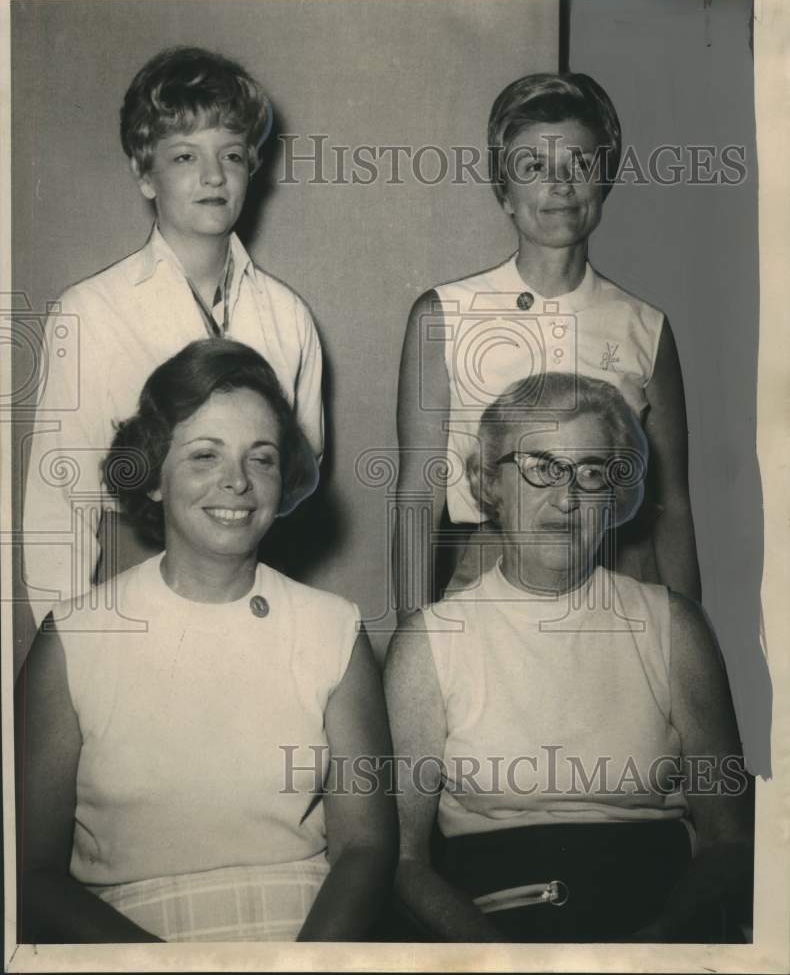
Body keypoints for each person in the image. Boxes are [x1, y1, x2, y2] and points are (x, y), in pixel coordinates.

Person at [16, 340, 396, 943]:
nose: (237, 482)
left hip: (309, 940)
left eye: (262, 458)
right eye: (204, 456)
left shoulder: (335, 629)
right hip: (128, 950)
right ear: (154, 477)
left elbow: (367, 848)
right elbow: (30, 873)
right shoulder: (73, 640)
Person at [385, 372, 751, 943]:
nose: (568, 496)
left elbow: (730, 840)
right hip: (495, 933)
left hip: (656, 927)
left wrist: (661, 941)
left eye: (591, 471)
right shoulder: (430, 641)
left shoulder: (672, 625)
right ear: (490, 484)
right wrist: (497, 958)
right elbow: (403, 862)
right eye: (542, 467)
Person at [23, 46, 324, 631]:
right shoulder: (90, 313)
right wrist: (70, 652)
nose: (213, 176)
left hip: (257, 599)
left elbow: (297, 474)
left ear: (250, 168)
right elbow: (57, 510)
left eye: (231, 155)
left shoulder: (288, 317)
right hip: (129, 600)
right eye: (186, 156)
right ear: (144, 172)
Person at [395, 72, 700, 622]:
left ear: (603, 181)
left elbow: (672, 504)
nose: (559, 186)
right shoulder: (444, 314)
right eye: (533, 167)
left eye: (578, 166)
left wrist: (690, 640)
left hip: (616, 573)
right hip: (489, 568)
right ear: (504, 192)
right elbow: (420, 493)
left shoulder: (644, 326)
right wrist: (409, 636)